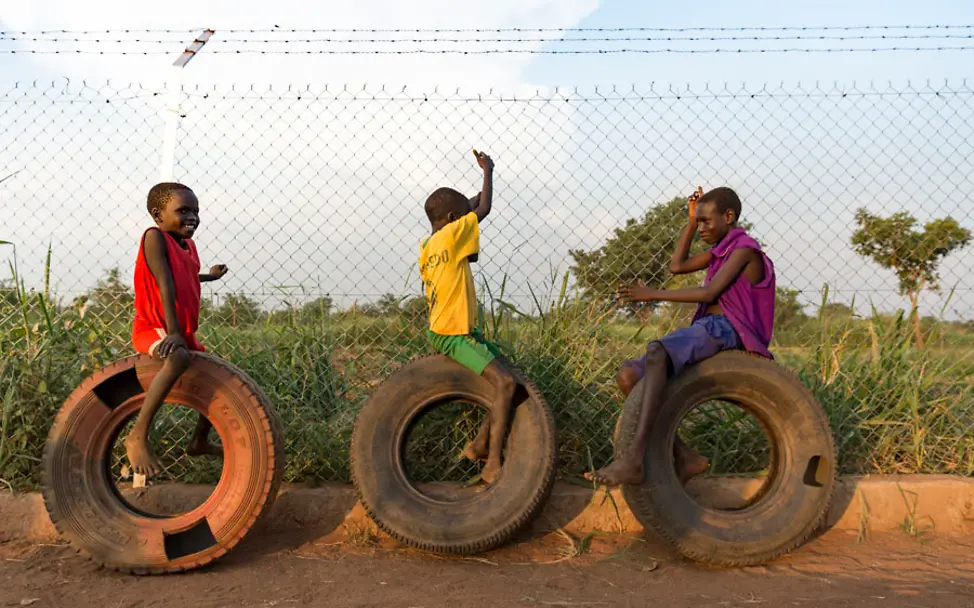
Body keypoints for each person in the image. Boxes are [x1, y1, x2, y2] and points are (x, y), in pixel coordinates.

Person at [586, 186, 776, 487]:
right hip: (709, 328)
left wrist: (652, 294)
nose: (701, 228)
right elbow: (677, 266)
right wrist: (689, 221)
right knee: (628, 376)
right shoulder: (719, 251)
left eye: (705, 221)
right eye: (698, 222)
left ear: (729, 217)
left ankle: (634, 458)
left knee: (657, 351)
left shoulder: (744, 250)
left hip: (728, 329)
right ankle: (686, 456)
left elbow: (710, 292)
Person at [419, 149, 515, 485]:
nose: (467, 220)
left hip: (451, 329)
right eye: (461, 217)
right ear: (450, 219)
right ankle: (492, 462)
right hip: (453, 333)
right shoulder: (451, 235)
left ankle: (477, 445)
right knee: (505, 383)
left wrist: (466, 203)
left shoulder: (429, 245)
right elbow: (483, 208)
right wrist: (488, 170)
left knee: (509, 380)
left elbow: (470, 207)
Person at [125, 182, 228, 477]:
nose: (192, 217)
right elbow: (165, 282)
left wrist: (208, 276)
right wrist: (173, 333)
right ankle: (137, 435)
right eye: (183, 210)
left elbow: (185, 276)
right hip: (155, 327)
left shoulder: (189, 245)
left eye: (196, 211)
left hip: (182, 332)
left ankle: (198, 441)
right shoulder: (154, 237)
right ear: (158, 215)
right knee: (179, 358)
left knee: (217, 373)